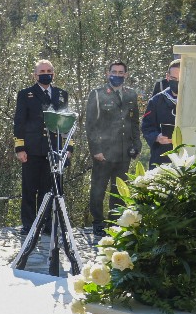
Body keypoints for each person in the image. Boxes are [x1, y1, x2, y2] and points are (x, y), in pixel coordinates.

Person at [13, 59, 73, 235]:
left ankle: (47, 225)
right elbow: (19, 122)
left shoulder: (61, 94)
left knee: (50, 189)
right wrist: (20, 148)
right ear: (35, 75)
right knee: (29, 189)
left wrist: (68, 148)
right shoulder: (26, 94)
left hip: (54, 149)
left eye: (49, 71)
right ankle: (29, 225)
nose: (46, 74)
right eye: (42, 72)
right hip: (31, 149)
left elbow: (66, 123)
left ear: (53, 73)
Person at [86, 61, 141, 236]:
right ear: (107, 73)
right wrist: (96, 149)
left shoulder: (131, 94)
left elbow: (134, 122)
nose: (117, 75)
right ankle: (98, 222)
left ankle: (114, 222)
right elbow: (91, 125)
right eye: (114, 72)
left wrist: (136, 144)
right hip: (104, 152)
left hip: (123, 151)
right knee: (98, 189)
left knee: (119, 190)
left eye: (120, 72)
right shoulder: (97, 94)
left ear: (126, 74)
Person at [142, 60, 180, 168]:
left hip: (187, 157)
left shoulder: (194, 101)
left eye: (180, 79)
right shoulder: (156, 101)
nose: (177, 82)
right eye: (174, 79)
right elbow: (146, 127)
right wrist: (157, 137)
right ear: (167, 77)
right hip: (161, 157)